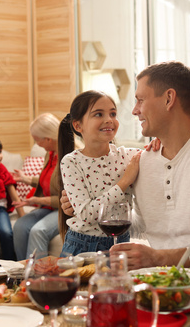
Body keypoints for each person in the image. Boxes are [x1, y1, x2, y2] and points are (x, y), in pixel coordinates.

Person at [63, 62, 190, 281]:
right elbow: (142, 225)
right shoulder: (142, 161)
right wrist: (88, 208)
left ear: (168, 99)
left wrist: (160, 258)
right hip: (159, 287)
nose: (134, 110)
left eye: (140, 100)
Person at [57, 90, 142, 256]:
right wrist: (124, 182)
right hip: (82, 246)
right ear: (78, 125)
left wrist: (159, 142)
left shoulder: (127, 155)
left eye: (113, 113)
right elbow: (87, 214)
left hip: (121, 242)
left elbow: (161, 151)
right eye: (98, 114)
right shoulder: (71, 162)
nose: (109, 120)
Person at [12, 113, 61, 261]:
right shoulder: (50, 153)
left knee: (38, 231)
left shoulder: (69, 156)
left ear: (48, 139)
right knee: (20, 225)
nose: (36, 144)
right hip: (49, 207)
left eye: (37, 140)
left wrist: (39, 200)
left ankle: (38, 279)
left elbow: (71, 199)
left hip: (64, 209)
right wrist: (26, 179)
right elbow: (49, 181)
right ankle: (23, 273)